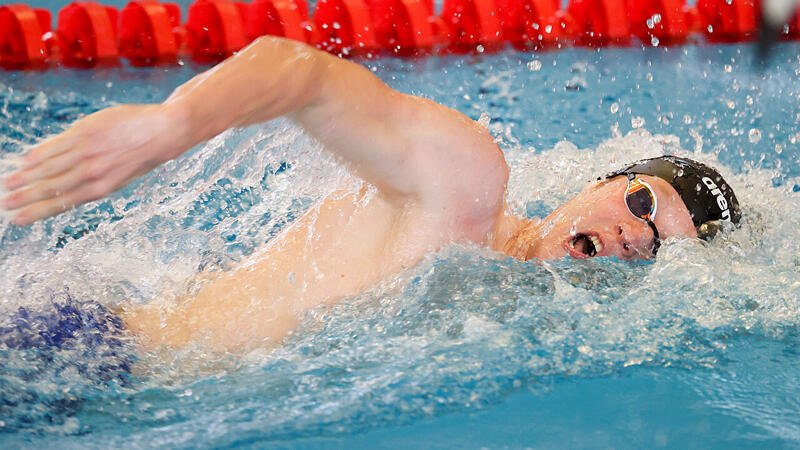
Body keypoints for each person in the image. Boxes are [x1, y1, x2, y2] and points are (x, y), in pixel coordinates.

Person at [0, 37, 740, 353]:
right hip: (86, 349)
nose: (629, 238)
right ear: (605, 180)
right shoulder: (466, 188)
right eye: (641, 205)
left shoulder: (514, 311)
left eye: (654, 250)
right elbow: (299, 73)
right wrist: (171, 126)